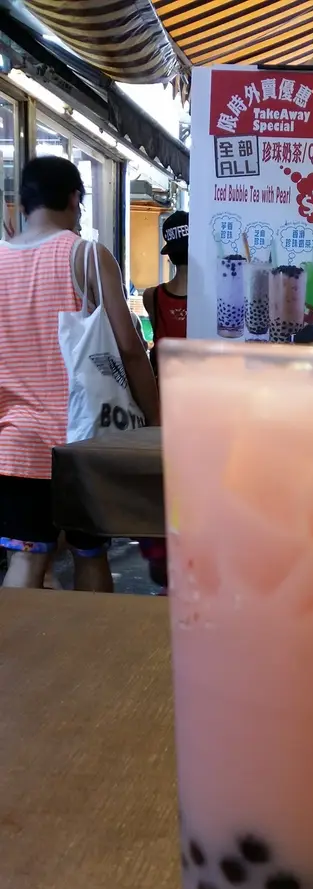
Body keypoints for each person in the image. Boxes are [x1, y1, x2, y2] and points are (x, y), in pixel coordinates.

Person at [0, 156, 160, 590]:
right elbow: (130, 349)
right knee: (90, 555)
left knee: (26, 559)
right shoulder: (86, 255)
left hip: (16, 447)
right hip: (83, 444)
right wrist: (155, 420)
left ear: (22, 203)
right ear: (75, 199)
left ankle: (16, 639)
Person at [139, 210, 189, 593]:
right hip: (202, 408)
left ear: (169, 253)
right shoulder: (214, 295)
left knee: (165, 488)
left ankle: (165, 567)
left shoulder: (152, 297)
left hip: (165, 406)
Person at [143, 210, 188, 373]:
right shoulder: (210, 299)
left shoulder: (152, 297)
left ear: (170, 255)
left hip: (164, 385)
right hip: (200, 385)